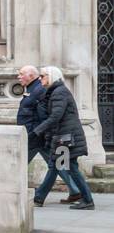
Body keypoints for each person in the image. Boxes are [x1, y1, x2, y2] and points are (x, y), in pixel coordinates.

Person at [33, 66, 96, 210]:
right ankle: (40, 197)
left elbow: (56, 116)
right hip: (63, 138)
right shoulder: (55, 92)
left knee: (69, 167)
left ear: (51, 76)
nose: (40, 78)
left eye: (42, 76)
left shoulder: (59, 93)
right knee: (57, 166)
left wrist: (38, 130)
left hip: (65, 139)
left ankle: (88, 200)